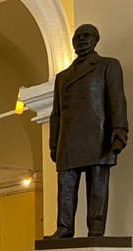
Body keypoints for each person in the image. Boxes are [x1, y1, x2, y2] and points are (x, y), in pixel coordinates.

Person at [48, 23, 128, 239]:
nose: (82, 40)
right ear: (73, 43)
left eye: (87, 36)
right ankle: (64, 228)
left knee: (97, 187)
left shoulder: (107, 66)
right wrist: (54, 142)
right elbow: (56, 114)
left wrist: (120, 132)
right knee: (65, 186)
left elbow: (117, 100)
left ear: (95, 39)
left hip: (98, 136)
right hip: (69, 140)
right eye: (78, 37)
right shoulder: (62, 77)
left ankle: (96, 229)